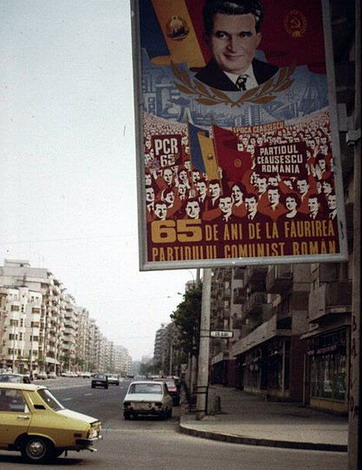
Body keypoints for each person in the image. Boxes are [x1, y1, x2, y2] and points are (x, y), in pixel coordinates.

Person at [195, 0, 279, 91]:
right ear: (207, 40)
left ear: (257, 39)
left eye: (244, 35)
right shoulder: (197, 86)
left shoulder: (277, 75)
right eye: (222, 35)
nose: (233, 48)